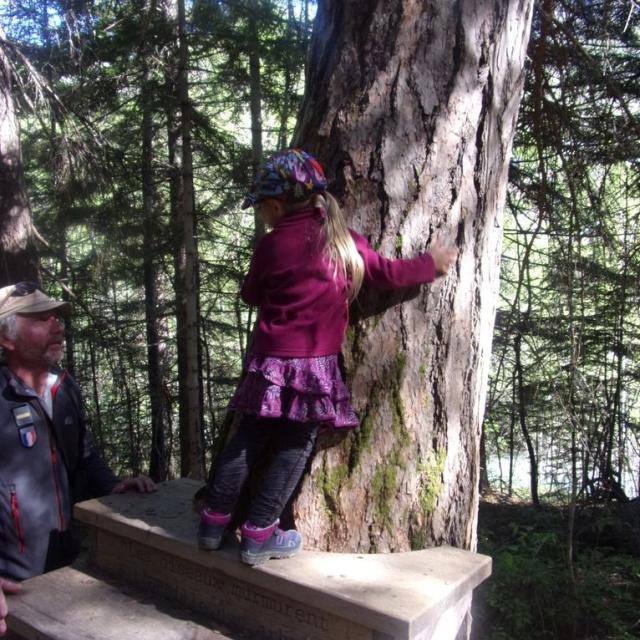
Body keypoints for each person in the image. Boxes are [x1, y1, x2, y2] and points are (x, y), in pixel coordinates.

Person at [198, 148, 458, 566]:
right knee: (294, 444)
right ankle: (258, 535)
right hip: (314, 366)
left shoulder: (270, 246)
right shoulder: (342, 242)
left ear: (277, 204)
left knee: (247, 438)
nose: (262, 215)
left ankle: (213, 524)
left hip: (268, 363)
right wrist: (432, 264)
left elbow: (250, 294)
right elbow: (387, 274)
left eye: (262, 208)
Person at [0, 282, 156, 637]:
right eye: (40, 318)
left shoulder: (65, 387)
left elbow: (82, 455)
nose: (57, 324)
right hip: (10, 585)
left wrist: (111, 486)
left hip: (65, 571)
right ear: (5, 339)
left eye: (56, 316)